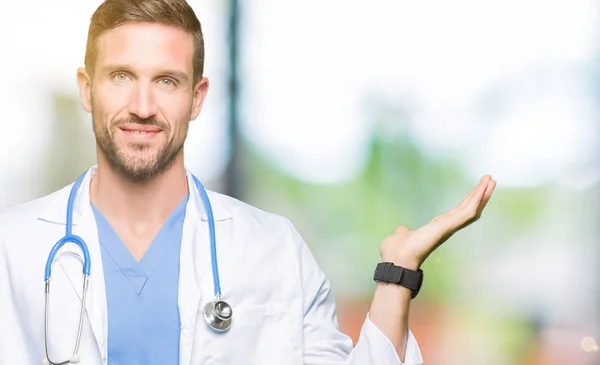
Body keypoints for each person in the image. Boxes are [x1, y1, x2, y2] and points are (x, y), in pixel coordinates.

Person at [0, 0, 496, 364]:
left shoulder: (272, 248)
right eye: (121, 76)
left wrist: (398, 273)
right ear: (87, 89)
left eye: (167, 81)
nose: (144, 105)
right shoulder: (12, 245)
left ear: (197, 97)